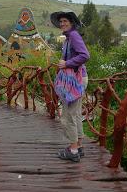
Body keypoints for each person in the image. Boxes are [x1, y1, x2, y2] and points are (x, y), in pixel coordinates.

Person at [50, 9, 90, 163]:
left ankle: (73, 150)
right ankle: (78, 146)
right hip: (79, 78)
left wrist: (67, 63)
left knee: (68, 115)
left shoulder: (73, 36)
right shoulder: (69, 37)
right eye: (61, 22)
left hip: (76, 80)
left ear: (72, 23)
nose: (62, 24)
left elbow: (85, 55)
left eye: (65, 21)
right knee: (76, 113)